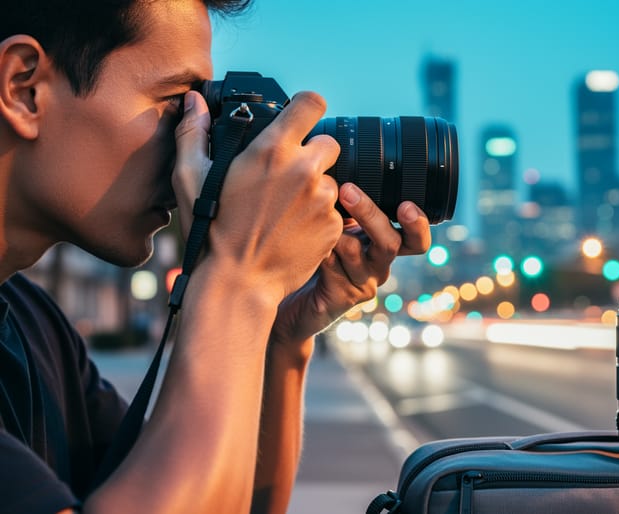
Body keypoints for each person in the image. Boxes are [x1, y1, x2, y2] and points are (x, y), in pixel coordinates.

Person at [0, 0, 431, 512]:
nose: (197, 148)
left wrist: (274, 333)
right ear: (25, 89)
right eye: (176, 105)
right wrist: (240, 280)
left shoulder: (33, 328)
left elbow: (216, 494)